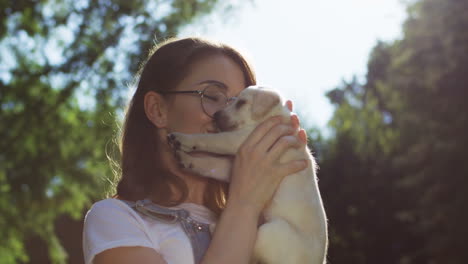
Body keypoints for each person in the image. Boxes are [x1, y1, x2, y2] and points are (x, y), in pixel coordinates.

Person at [82, 37, 308, 264]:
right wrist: (245, 204)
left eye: (241, 104)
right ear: (157, 109)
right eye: (212, 96)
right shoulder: (116, 218)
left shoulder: (268, 227)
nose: (228, 117)